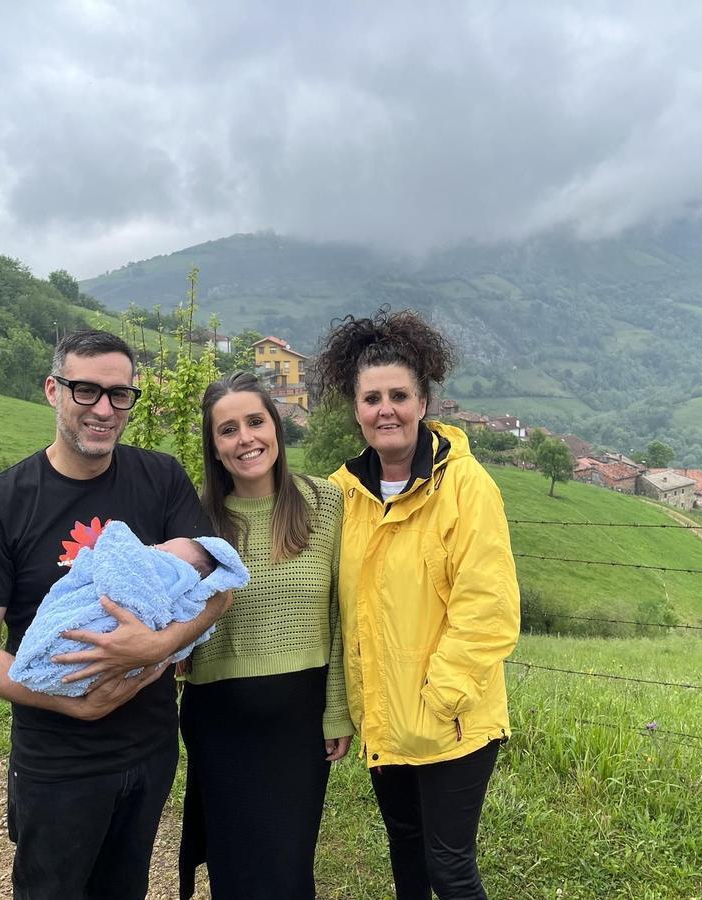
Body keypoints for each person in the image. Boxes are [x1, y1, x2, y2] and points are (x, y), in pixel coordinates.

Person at [0, 330, 231, 900]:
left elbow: (219, 585)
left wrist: (155, 647)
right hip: (57, 761)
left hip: (150, 748)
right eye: (85, 391)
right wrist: (74, 703)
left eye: (119, 394)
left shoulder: (161, 478)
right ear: (53, 390)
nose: (104, 409)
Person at [312, 309, 520, 900]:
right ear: (355, 409)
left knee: (449, 868)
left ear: (423, 402)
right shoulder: (340, 494)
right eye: (372, 397)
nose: (386, 410)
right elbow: (332, 607)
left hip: (452, 719)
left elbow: (488, 606)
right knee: (405, 853)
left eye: (399, 395)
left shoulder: (466, 486)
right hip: (383, 717)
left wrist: (443, 696)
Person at [177, 370, 353, 900]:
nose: (245, 438)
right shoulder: (198, 520)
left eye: (255, 421)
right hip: (218, 719)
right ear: (214, 446)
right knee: (232, 868)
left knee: (288, 867)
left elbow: (344, 612)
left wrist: (339, 708)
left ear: (276, 426)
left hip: (298, 725)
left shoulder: (326, 504)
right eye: (227, 430)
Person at [9, 524, 249, 697]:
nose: (155, 547)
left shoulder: (165, 479)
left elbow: (219, 596)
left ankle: (42, 666)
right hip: (45, 740)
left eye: (164, 548)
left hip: (145, 739)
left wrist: (160, 644)